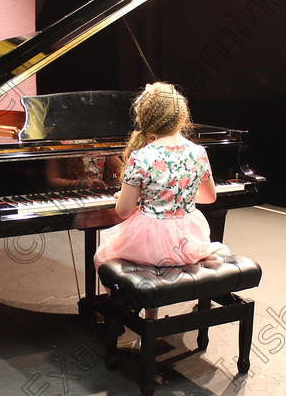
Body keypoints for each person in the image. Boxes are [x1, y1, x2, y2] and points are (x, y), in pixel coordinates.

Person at [93, 82, 229, 271]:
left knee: (103, 255)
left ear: (146, 118)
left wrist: (144, 199)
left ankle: (127, 299)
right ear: (181, 115)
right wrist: (176, 196)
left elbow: (123, 211)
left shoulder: (140, 156)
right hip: (189, 240)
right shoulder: (198, 152)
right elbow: (209, 197)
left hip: (150, 242)